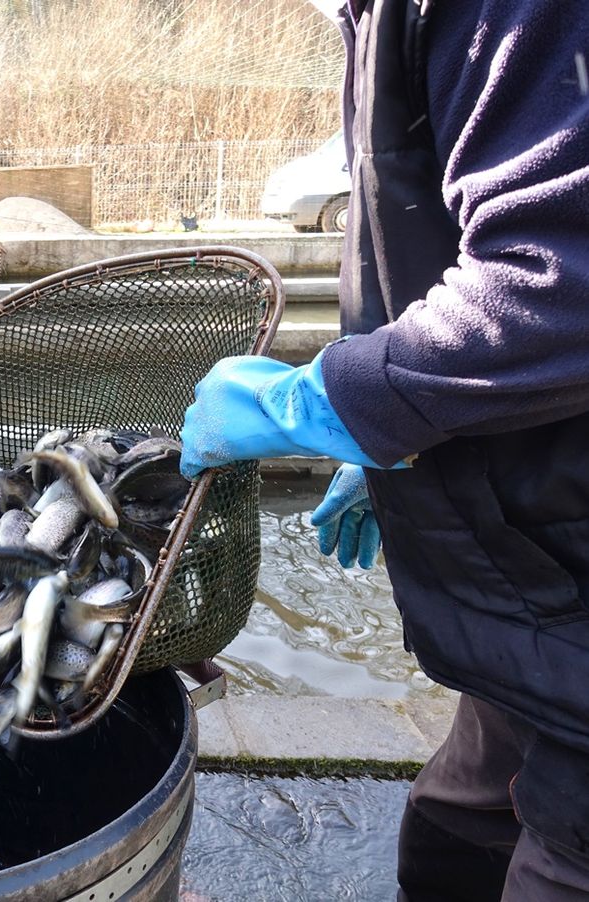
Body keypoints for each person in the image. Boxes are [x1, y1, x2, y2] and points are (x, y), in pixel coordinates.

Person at [180, 1, 589, 898]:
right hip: (532, 582)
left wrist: (327, 398)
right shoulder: (383, 17)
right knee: (449, 835)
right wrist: (390, 440)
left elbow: (558, 281)